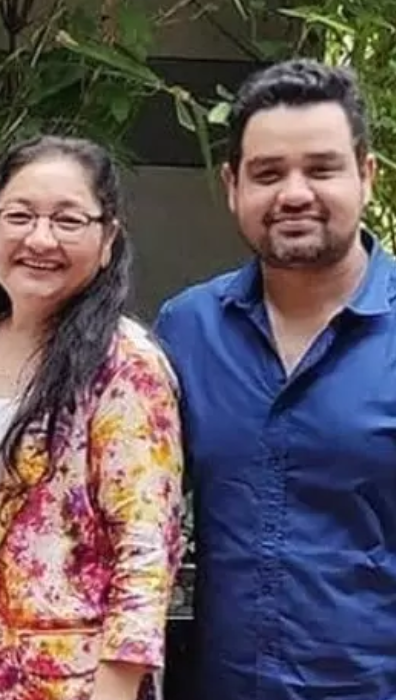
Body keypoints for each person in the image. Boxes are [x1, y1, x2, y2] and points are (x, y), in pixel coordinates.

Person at [0, 135, 184, 700]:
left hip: (62, 677)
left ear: (108, 241)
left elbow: (146, 554)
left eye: (68, 220)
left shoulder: (125, 366)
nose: (40, 239)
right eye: (20, 216)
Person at [153, 59, 396, 700]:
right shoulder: (187, 330)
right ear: (232, 185)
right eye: (267, 173)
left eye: (321, 169)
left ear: (366, 176)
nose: (293, 193)